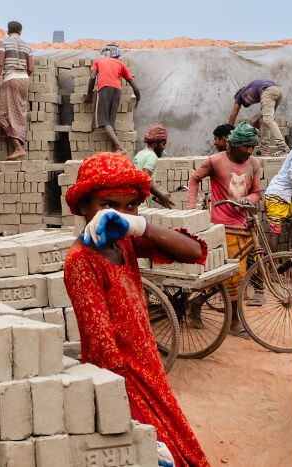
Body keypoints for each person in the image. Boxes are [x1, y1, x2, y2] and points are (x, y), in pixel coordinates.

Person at [63, 153, 209, 467]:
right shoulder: (81, 260)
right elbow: (104, 354)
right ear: (84, 207)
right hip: (125, 387)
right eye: (107, 205)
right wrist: (133, 424)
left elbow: (194, 251)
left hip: (151, 373)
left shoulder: (124, 242)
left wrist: (138, 226)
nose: (119, 213)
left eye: (130, 205)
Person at [187, 122, 262, 337]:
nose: (249, 151)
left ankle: (197, 303)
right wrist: (191, 208)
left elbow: (257, 192)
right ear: (233, 145)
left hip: (244, 225)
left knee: (232, 276)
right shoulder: (215, 161)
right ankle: (233, 322)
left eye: (252, 146)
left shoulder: (254, 163)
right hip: (221, 225)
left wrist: (248, 199)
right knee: (233, 276)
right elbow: (194, 179)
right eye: (246, 146)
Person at [85, 45, 142, 155]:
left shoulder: (98, 61)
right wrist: (138, 99)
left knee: (102, 120)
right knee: (110, 122)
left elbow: (92, 77)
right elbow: (135, 87)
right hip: (117, 91)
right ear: (117, 55)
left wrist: (89, 95)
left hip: (105, 89)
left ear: (103, 54)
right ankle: (115, 149)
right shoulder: (121, 64)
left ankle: (120, 147)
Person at [0, 21, 34, 160]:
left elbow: (0, 63)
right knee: (19, 112)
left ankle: (18, 147)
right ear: (20, 31)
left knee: (4, 115)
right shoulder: (28, 46)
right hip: (24, 80)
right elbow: (31, 69)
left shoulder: (4, 42)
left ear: (8, 31)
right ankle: (19, 143)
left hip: (11, 79)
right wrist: (22, 73)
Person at [228, 80, 288, 156]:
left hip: (268, 91)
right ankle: (264, 150)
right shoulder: (252, 89)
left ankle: (282, 146)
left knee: (268, 120)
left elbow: (233, 115)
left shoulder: (239, 96)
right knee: (265, 120)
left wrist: (228, 132)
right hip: (278, 90)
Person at [132, 124, 173, 208]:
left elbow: (139, 181)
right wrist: (161, 196)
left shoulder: (140, 153)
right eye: (163, 144)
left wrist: (155, 197)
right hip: (141, 204)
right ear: (155, 143)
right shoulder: (152, 156)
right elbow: (144, 179)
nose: (164, 148)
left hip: (133, 201)